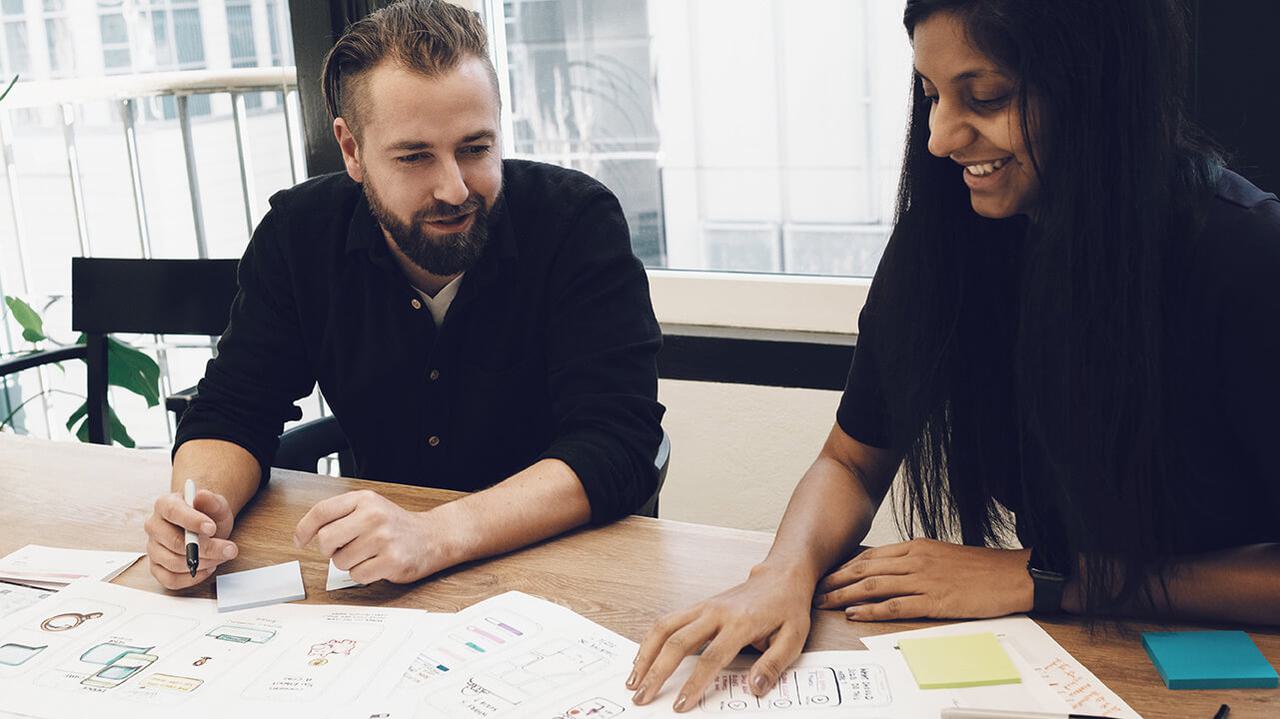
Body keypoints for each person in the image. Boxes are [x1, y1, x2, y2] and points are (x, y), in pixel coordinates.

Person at [628, 0, 1280, 712]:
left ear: (1098, 82)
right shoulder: (948, 233)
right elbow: (851, 459)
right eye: (931, 95)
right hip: (1074, 655)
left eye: (987, 96)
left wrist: (1049, 577)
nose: (939, 138)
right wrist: (782, 569)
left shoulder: (1242, 255)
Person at [142, 0, 664, 591]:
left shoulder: (575, 222)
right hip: (386, 577)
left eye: (475, 148)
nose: (454, 187)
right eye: (415, 156)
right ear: (351, 150)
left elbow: (617, 442)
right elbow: (234, 408)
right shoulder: (300, 233)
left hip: (563, 566)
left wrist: (434, 535)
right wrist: (199, 511)